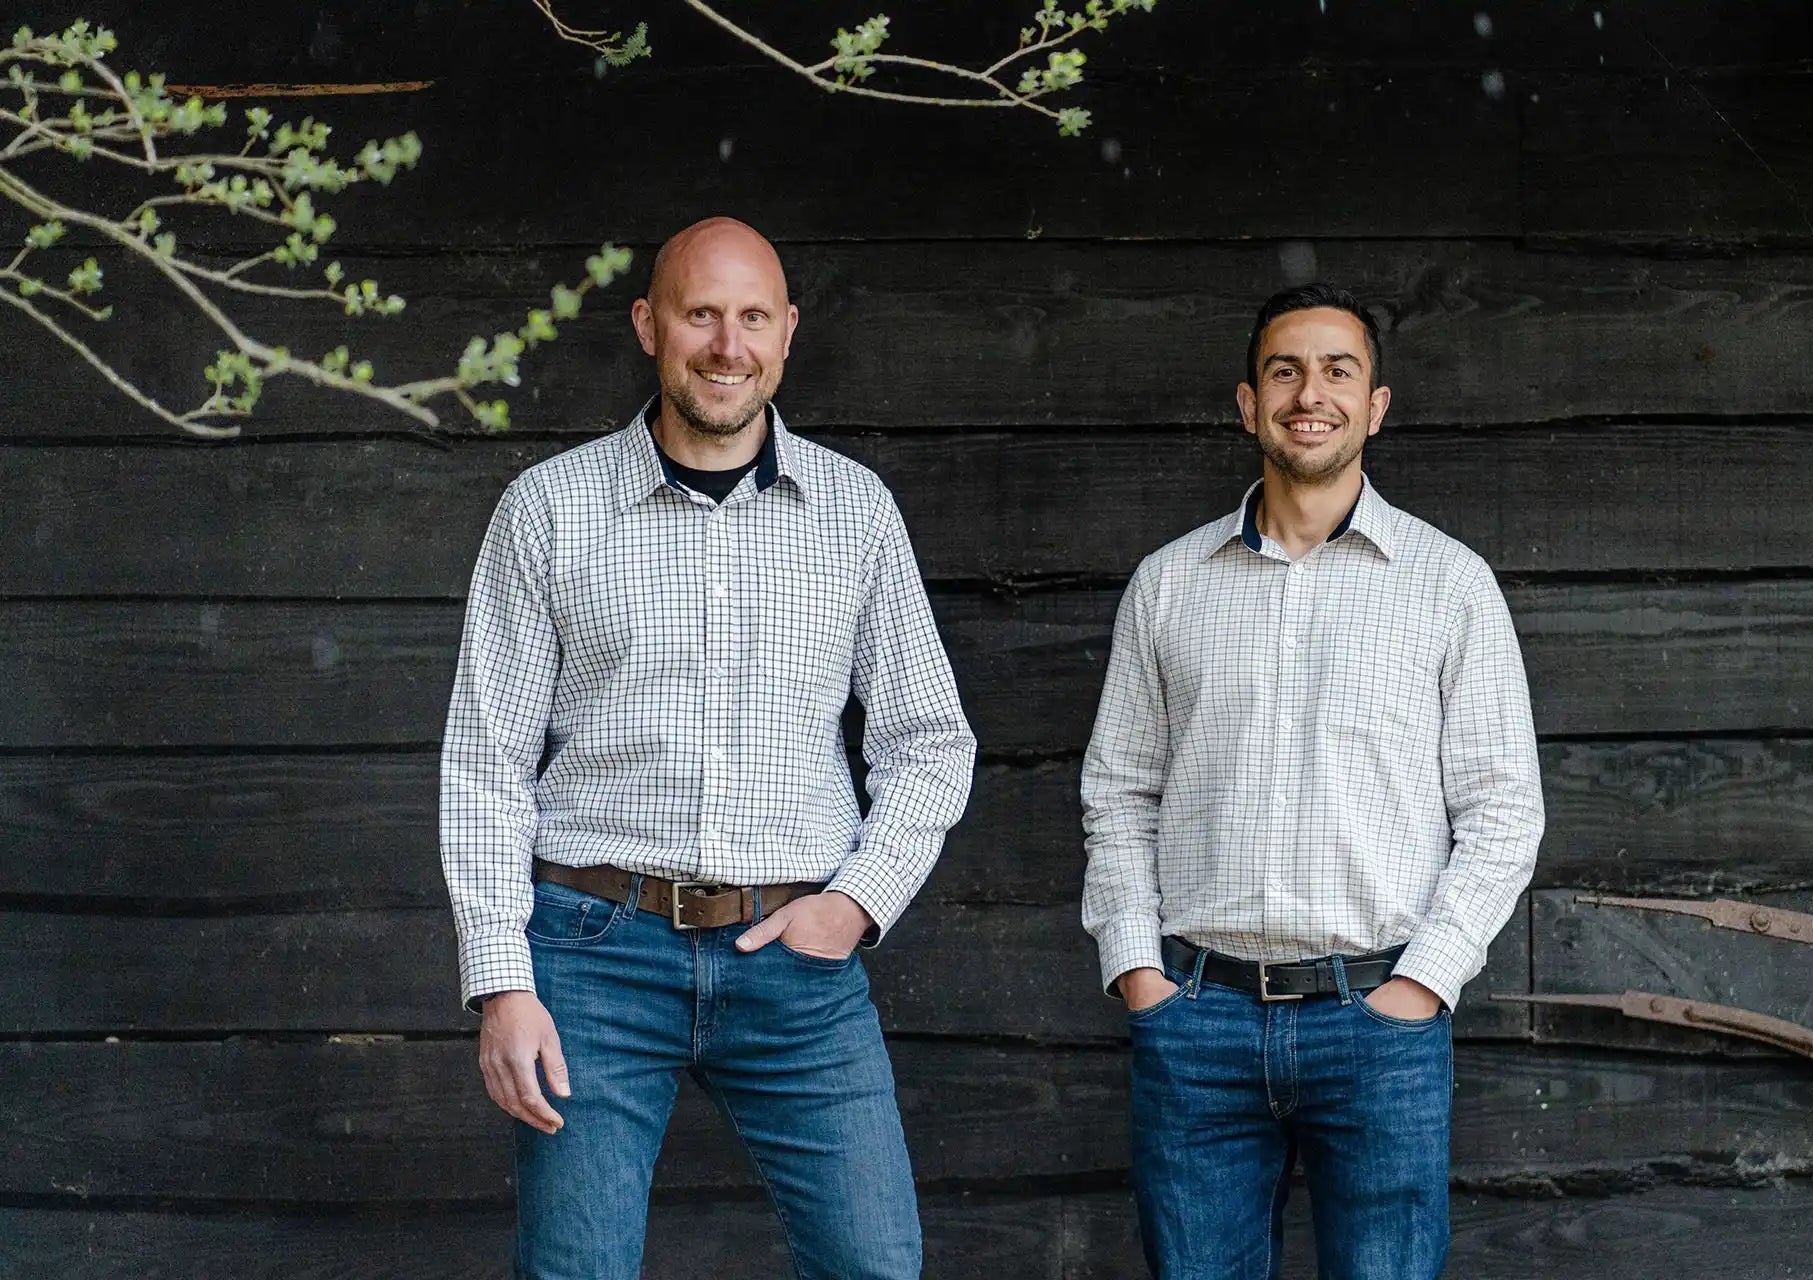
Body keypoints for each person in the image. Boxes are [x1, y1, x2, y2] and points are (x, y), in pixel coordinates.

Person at [440, 216, 976, 1279]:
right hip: (594, 956)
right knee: (574, 1271)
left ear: (785, 335)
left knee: (876, 1264)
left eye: (751, 318)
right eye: (700, 314)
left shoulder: (855, 514)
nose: (726, 345)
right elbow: (485, 761)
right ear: (649, 324)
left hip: (795, 960)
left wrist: (857, 898)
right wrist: (504, 980)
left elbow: (929, 739)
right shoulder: (548, 509)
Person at [1081, 283, 1544, 1279]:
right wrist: (1140, 973)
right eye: (1285, 369)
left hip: (1377, 1020)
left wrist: (1424, 982)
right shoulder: (1169, 584)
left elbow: (1504, 809)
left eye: (1340, 370)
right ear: (1248, 402)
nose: (1311, 392)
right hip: (1196, 1017)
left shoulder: (1448, 583)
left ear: (1377, 405)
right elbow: (1118, 790)